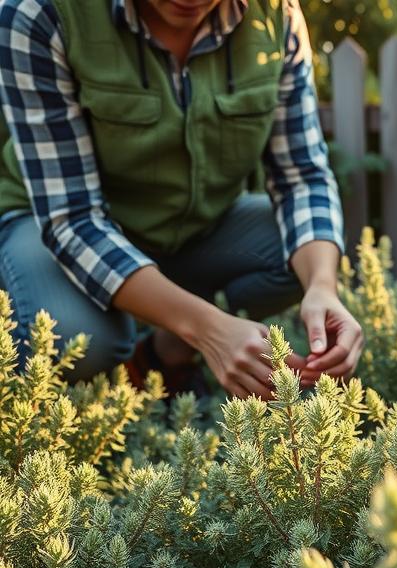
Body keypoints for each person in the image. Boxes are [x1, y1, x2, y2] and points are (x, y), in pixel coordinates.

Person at [0, 0, 364, 399]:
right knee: (75, 340)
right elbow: (73, 218)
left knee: (301, 253)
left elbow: (302, 177)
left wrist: (323, 287)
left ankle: (160, 354)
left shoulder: (276, 15)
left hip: (192, 232)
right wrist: (210, 329)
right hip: (47, 225)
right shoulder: (42, 14)